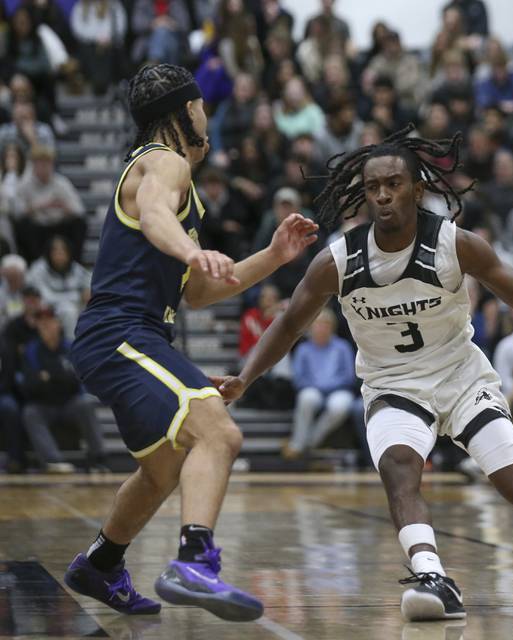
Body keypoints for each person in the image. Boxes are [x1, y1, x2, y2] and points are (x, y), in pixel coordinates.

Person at [211, 127, 513, 621]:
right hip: (392, 385)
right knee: (400, 469)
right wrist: (245, 378)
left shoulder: (455, 244)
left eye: (393, 184)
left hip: (461, 378)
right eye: (373, 186)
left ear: (416, 188)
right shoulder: (337, 261)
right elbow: (291, 322)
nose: (382, 194)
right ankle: (432, 576)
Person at [63, 64, 317, 621]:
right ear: (183, 112)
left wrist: (272, 257)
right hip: (119, 333)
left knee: (166, 469)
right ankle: (195, 563)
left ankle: (100, 564)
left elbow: (198, 291)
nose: (208, 116)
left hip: (134, 336)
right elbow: (155, 216)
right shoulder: (164, 162)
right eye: (201, 106)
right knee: (219, 433)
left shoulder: (182, 185)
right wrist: (188, 249)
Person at [20, 303, 106, 473]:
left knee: (86, 404)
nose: (45, 325)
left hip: (69, 403)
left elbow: (77, 380)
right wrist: (59, 376)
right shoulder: (30, 350)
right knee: (30, 412)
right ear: (37, 326)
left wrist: (47, 377)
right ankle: (53, 461)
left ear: (58, 324)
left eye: (49, 321)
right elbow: (29, 386)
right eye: (41, 322)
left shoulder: (71, 347)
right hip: (43, 405)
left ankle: (98, 459)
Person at [285, 307, 356, 458]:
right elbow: (298, 378)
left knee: (340, 406)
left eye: (326, 324)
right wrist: (318, 386)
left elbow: (349, 376)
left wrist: (328, 385)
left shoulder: (342, 347)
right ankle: (297, 444)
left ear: (332, 327)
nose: (322, 328)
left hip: (339, 390)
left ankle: (311, 441)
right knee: (306, 398)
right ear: (311, 327)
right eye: (318, 324)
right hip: (312, 389)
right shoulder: (303, 349)